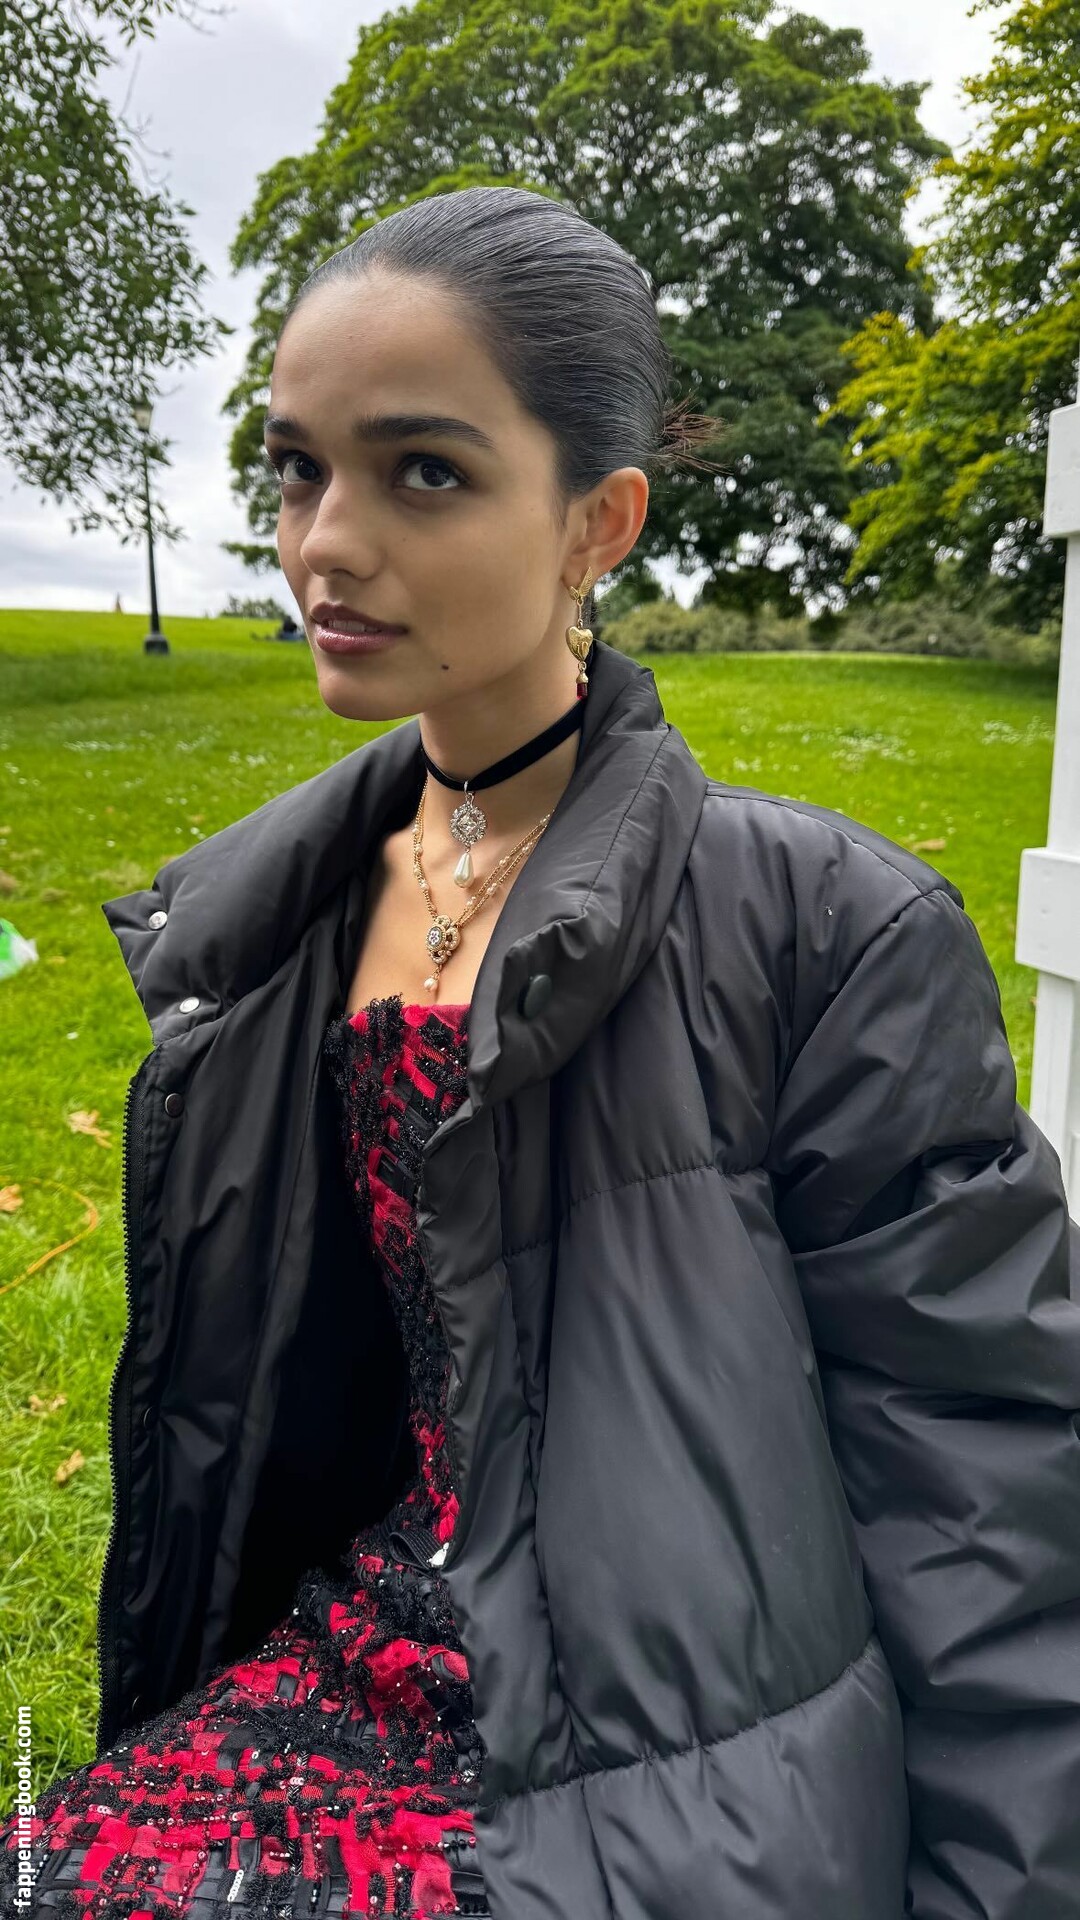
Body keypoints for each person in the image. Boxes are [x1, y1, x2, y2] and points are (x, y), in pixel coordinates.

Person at [3, 183, 1079, 1920]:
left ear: (599, 523)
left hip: (670, 1765)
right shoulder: (272, 931)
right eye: (298, 469)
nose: (326, 543)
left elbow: (988, 1494)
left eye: (423, 472)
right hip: (357, 1645)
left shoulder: (826, 931)